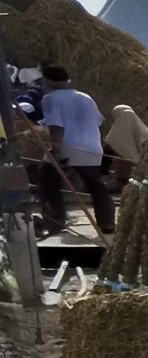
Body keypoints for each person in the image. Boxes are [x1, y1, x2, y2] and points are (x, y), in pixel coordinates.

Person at [33, 64, 113, 236]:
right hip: (92, 149)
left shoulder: (50, 98)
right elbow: (98, 122)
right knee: (97, 187)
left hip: (68, 148)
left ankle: (56, 220)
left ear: (47, 80)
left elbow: (56, 127)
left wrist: (55, 150)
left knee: (47, 182)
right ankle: (107, 223)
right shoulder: (85, 97)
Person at [100, 101, 148, 191]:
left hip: (127, 159)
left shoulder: (122, 122)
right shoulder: (139, 125)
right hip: (140, 160)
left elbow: (110, 142)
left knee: (110, 154)